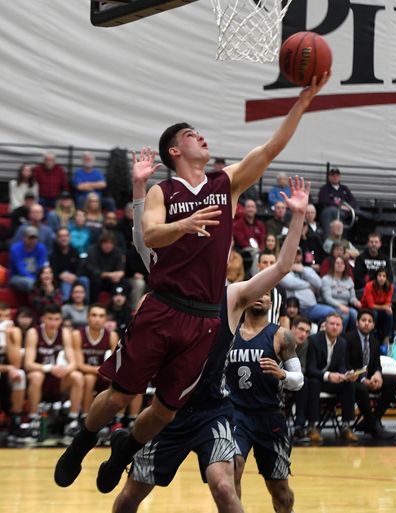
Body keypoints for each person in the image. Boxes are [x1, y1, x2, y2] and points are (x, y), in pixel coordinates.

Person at [54, 73, 329, 492]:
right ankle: (82, 441)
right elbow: (148, 234)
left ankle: (125, 449)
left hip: (203, 319)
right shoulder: (165, 192)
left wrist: (305, 99)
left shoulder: (225, 184)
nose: (200, 137)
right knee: (118, 396)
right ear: (174, 149)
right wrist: (184, 224)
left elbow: (271, 147)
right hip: (164, 307)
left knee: (164, 410)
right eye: (190, 134)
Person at [112, 173, 309, 513]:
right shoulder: (168, 293)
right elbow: (143, 240)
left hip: (212, 411)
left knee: (224, 483)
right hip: (167, 411)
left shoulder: (231, 297)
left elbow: (282, 265)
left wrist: (297, 216)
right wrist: (139, 189)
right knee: (130, 496)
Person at [227, 289, 304, 513]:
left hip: (270, 417)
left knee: (280, 490)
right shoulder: (230, 332)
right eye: (255, 292)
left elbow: (298, 381)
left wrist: (283, 375)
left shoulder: (282, 335)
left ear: (272, 302)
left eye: (266, 293)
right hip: (236, 414)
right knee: (232, 469)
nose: (260, 296)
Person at [24, 304, 84, 439]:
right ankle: (33, 419)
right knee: (36, 376)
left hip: (59, 378)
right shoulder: (33, 333)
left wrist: (66, 369)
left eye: (57, 319)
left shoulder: (65, 333)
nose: (53, 322)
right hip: (42, 377)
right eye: (50, 319)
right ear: (43, 319)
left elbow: (73, 362)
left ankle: (72, 420)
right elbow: (28, 364)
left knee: (77, 376)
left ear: (61, 320)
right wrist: (49, 368)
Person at [306, 312, 358, 443]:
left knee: (349, 384)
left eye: (338, 324)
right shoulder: (314, 340)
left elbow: (341, 365)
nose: (335, 327)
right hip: (318, 378)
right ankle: (312, 426)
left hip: (333, 380)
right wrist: (328, 376)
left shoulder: (342, 343)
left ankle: (346, 426)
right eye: (332, 324)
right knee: (313, 382)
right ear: (325, 325)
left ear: (341, 327)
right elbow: (310, 369)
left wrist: (346, 374)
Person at [346, 309, 396, 439]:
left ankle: (372, 420)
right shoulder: (348, 338)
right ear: (357, 323)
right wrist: (363, 380)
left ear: (373, 325)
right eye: (363, 320)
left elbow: (376, 364)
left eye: (370, 321)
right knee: (362, 389)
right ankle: (374, 427)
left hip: (368, 377)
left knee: (395, 381)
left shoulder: (374, 341)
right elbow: (346, 364)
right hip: (352, 378)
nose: (367, 324)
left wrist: (377, 374)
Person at [72, 304, 118, 418]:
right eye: (94, 315)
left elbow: (115, 362)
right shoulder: (77, 334)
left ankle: (113, 419)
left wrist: (107, 372)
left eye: (101, 316)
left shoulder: (112, 335)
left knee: (120, 379)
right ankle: (85, 416)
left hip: (104, 375)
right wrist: (102, 370)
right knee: (89, 378)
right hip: (85, 374)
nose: (97, 319)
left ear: (105, 319)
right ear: (87, 317)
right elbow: (79, 365)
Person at [280, 247, 336, 324]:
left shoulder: (307, 269)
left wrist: (303, 270)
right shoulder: (284, 270)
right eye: (293, 253)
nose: (295, 256)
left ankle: (319, 331)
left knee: (331, 312)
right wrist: (309, 284)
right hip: (294, 309)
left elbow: (319, 284)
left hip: (312, 308)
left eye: (298, 254)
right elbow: (290, 283)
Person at [0, 304, 26, 441]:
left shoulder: (14, 331)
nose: (3, 320)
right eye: (0, 317)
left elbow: (15, 364)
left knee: (20, 375)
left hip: (7, 373)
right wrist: (7, 368)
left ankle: (15, 423)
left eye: (6, 316)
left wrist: (7, 336)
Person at [82, 231, 126, 302]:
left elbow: (121, 269)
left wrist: (118, 275)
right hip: (96, 279)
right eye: (105, 243)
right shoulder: (92, 251)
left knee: (124, 283)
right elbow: (93, 271)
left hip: (112, 279)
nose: (108, 245)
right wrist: (110, 275)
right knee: (95, 281)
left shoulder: (117, 251)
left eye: (110, 243)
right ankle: (93, 304)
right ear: (100, 243)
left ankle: (119, 307)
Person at [321, 256, 361, 332]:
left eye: (342, 263)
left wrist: (356, 302)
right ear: (333, 265)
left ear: (345, 266)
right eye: (337, 263)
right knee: (345, 316)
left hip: (346, 306)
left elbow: (352, 298)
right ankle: (340, 337)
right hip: (332, 306)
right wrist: (340, 305)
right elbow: (327, 298)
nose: (339, 265)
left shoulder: (349, 279)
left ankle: (352, 336)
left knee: (355, 314)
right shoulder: (326, 279)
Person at [290, 315, 313, 443]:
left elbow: (303, 368)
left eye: (307, 332)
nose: (303, 334)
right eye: (301, 329)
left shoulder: (305, 344)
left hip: (291, 379)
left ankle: (300, 425)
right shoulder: (280, 339)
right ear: (292, 328)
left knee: (305, 382)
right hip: (276, 377)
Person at [318, 167, 357, 238]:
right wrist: (339, 206)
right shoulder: (325, 188)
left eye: (337, 175)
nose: (335, 177)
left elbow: (353, 201)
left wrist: (348, 207)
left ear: (340, 177)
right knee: (331, 211)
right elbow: (323, 200)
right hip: (331, 213)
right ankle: (328, 239)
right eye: (333, 175)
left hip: (345, 213)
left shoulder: (344, 189)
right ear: (329, 177)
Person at [9, 226, 48, 293]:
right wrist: (37, 281)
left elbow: (41, 266)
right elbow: (21, 269)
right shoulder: (15, 249)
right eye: (30, 238)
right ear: (24, 238)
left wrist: (40, 279)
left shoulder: (41, 248)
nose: (33, 241)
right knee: (32, 283)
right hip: (17, 277)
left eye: (34, 238)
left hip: (36, 277)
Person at [360, 268, 394, 345]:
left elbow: (388, 302)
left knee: (389, 314)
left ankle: (387, 338)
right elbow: (371, 305)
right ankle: (370, 337)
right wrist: (384, 307)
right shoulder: (369, 286)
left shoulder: (390, 287)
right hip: (366, 308)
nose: (382, 278)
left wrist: (388, 308)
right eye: (379, 276)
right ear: (376, 277)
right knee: (374, 313)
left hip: (380, 308)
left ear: (386, 278)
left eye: (384, 276)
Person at [233, 198, 266, 276]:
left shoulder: (260, 224)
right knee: (257, 254)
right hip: (245, 250)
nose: (251, 209)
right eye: (248, 207)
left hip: (259, 249)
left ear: (255, 210)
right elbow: (241, 241)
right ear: (244, 209)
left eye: (252, 207)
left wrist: (261, 248)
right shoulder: (238, 225)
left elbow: (262, 240)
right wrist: (257, 249)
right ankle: (256, 277)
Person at [257, 252, 289, 328]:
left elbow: (283, 317)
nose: (268, 266)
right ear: (258, 265)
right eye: (265, 262)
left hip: (274, 335)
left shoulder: (281, 290)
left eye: (272, 263)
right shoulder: (249, 287)